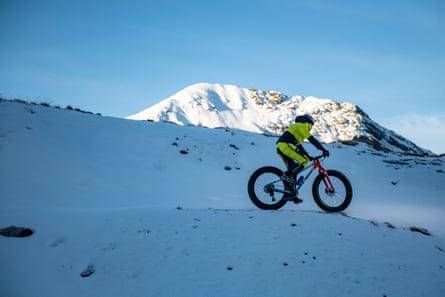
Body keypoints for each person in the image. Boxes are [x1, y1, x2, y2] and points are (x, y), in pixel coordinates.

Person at [276, 114, 329, 202]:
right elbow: (311, 139)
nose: (311, 127)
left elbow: (299, 146)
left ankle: (290, 194)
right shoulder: (302, 125)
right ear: (309, 122)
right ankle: (286, 175)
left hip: (281, 147)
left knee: (293, 171)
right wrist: (323, 149)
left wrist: (308, 156)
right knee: (303, 161)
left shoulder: (297, 130)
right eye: (311, 125)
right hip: (285, 145)